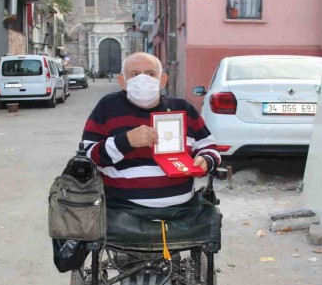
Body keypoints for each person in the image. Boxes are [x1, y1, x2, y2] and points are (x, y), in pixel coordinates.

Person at [81, 52, 221, 208]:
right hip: (122, 210)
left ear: (162, 80)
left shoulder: (183, 109)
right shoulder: (108, 107)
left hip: (183, 211)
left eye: (150, 74)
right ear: (122, 82)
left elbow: (209, 147)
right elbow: (86, 156)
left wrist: (206, 160)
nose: (143, 79)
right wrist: (125, 142)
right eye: (135, 74)